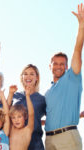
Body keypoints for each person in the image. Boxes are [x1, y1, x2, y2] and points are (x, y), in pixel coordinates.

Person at [45, 3, 84, 150]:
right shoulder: (48, 92)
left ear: (67, 66)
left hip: (67, 138)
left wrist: (81, 25)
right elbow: (50, 117)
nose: (59, 66)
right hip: (49, 139)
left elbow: (78, 48)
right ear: (50, 66)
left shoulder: (72, 77)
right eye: (55, 63)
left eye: (62, 64)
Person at [8, 64, 46, 150]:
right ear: (22, 77)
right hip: (16, 143)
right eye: (25, 74)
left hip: (35, 143)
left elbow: (52, 118)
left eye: (32, 74)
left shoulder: (42, 99)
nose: (28, 76)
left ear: (37, 77)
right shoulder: (15, 95)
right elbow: (6, 113)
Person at [9, 86, 34, 150]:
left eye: (19, 117)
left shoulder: (27, 130)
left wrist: (27, 96)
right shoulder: (11, 129)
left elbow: (31, 114)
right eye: (13, 118)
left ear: (25, 117)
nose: (16, 120)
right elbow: (7, 112)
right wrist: (11, 93)